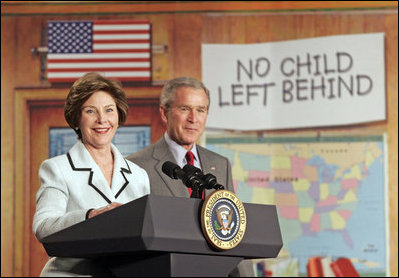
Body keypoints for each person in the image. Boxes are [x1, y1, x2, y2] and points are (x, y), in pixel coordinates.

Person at [32, 72, 150, 276]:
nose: (102, 119)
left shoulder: (139, 175)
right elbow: (43, 227)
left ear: (118, 116)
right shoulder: (57, 168)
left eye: (109, 110)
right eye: (90, 111)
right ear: (77, 119)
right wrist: (91, 216)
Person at [127, 76, 234, 198]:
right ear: (164, 113)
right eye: (184, 109)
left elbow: (232, 215)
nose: (193, 119)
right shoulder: (136, 166)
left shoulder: (221, 164)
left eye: (200, 110)